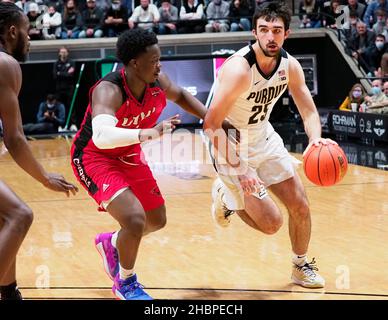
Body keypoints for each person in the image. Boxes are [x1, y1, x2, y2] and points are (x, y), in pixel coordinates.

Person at [203, 2, 336, 289]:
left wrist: (315, 139)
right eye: (264, 30)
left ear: (286, 34)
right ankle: (225, 195)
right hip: (231, 146)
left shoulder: (290, 66)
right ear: (254, 32)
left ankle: (300, 266)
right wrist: (241, 169)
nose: (270, 37)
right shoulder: (239, 70)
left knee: (300, 205)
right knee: (270, 224)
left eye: (277, 31)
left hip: (264, 137)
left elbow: (309, 111)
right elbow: (211, 126)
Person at [70, 29, 209, 300]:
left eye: (160, 59)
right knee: (134, 219)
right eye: (154, 60)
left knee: (156, 220)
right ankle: (126, 283)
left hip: (129, 154)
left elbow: (180, 95)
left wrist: (214, 119)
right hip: (93, 157)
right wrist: (145, 133)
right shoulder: (108, 90)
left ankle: (111, 243)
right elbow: (102, 136)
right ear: (134, 63)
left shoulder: (157, 80)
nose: (160, 65)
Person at [0, 2, 78, 300]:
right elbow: (15, 140)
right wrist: (45, 177)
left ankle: (9, 293)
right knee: (20, 215)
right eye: (27, 31)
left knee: (5, 218)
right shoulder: (5, 64)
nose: (29, 38)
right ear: (11, 32)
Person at [53, 46, 77, 131]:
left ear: (67, 53)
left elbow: (71, 75)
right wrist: (65, 73)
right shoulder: (56, 63)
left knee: (71, 105)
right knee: (59, 107)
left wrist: (61, 73)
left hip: (69, 88)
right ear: (59, 53)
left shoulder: (71, 63)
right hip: (59, 89)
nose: (63, 53)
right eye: (61, 52)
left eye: (65, 52)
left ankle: (73, 124)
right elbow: (55, 76)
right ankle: (60, 125)